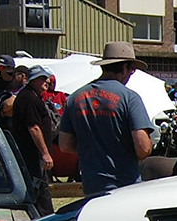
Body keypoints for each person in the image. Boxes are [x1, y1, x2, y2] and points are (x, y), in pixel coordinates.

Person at [57, 41, 154, 198]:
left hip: (92, 183)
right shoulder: (130, 98)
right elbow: (143, 148)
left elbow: (65, 145)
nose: (131, 74)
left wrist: (91, 151)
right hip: (125, 183)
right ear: (124, 68)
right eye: (132, 70)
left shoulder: (74, 98)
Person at [9, 66, 56, 213]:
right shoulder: (29, 98)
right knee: (40, 194)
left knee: (40, 191)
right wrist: (45, 153)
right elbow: (33, 127)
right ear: (33, 80)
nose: (46, 81)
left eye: (47, 78)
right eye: (42, 78)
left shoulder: (33, 96)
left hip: (34, 156)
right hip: (31, 156)